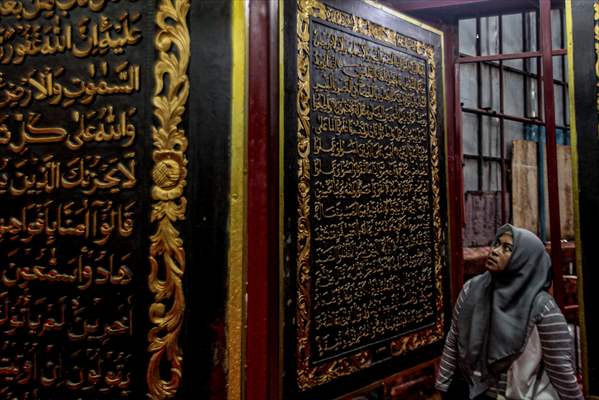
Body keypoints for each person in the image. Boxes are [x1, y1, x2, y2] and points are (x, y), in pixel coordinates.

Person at [435, 224, 583, 399]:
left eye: (507, 248)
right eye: (496, 243)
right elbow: (453, 340)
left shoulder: (542, 307)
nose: (495, 251)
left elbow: (559, 368)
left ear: (524, 259)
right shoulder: (472, 290)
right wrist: (441, 389)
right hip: (475, 390)